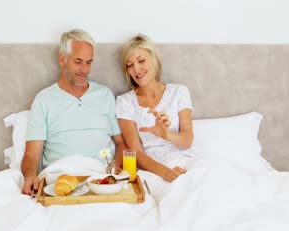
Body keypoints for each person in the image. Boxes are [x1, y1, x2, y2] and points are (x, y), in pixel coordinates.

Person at [21, 29, 126, 194]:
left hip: (98, 179)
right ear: (62, 59)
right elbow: (32, 155)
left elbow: (120, 143)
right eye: (78, 61)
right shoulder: (44, 99)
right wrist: (30, 175)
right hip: (59, 179)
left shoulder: (104, 95)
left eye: (89, 62)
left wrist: (115, 168)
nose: (84, 70)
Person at [115, 34, 194, 183]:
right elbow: (135, 153)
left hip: (186, 163)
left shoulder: (179, 92)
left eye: (141, 60)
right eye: (130, 65)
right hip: (155, 171)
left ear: (154, 58)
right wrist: (165, 173)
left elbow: (187, 140)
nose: (136, 69)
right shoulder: (124, 102)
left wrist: (166, 134)